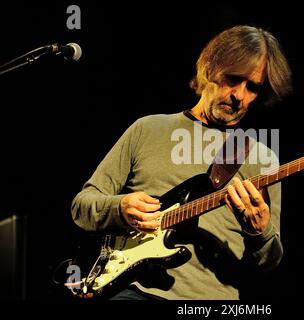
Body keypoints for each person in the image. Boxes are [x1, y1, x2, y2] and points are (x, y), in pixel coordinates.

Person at [71, 25, 292, 300]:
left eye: (253, 87)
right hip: (132, 290)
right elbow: (82, 207)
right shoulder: (147, 129)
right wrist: (120, 207)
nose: (239, 96)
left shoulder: (261, 158)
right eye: (233, 79)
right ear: (210, 68)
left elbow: (268, 263)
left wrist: (260, 231)